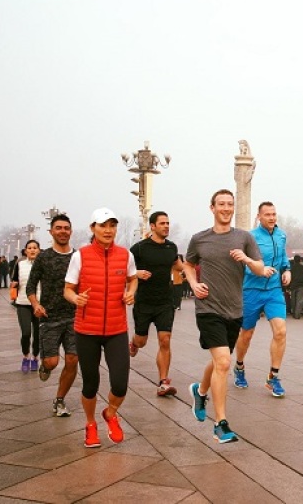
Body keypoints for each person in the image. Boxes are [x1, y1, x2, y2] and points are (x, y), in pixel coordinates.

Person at [183, 189, 265, 444]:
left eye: (230, 204)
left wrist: (247, 259)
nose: (226, 208)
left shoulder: (244, 238)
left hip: (235, 309)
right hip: (208, 309)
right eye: (221, 204)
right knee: (223, 363)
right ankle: (220, 423)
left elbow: (261, 269)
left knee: (222, 361)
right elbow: (187, 264)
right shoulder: (200, 239)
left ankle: (201, 390)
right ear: (212, 208)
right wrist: (194, 284)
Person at [64, 208, 137, 448]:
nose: (108, 230)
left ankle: (111, 412)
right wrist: (76, 299)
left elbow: (132, 278)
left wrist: (130, 293)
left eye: (112, 225)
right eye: (103, 225)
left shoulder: (125, 255)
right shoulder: (80, 256)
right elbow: (68, 289)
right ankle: (90, 424)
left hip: (116, 328)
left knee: (120, 383)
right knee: (90, 383)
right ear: (93, 228)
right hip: (87, 330)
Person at [234, 201, 291, 398]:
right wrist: (259, 269)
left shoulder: (281, 235)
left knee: (281, 331)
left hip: (274, 291)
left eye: (274, 214)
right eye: (267, 214)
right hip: (252, 290)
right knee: (246, 334)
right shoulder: (250, 237)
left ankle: (273, 377)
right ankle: (239, 366)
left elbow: (283, 257)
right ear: (259, 217)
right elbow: (244, 262)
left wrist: (287, 271)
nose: (272, 218)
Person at [26, 214, 78, 417]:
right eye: (59, 228)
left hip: (74, 316)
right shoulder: (44, 257)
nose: (63, 231)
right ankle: (45, 367)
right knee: (52, 362)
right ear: (51, 232)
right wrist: (36, 304)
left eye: (66, 228)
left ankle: (59, 400)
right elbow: (31, 286)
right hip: (49, 317)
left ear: (71, 231)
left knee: (73, 359)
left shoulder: (78, 257)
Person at [129, 211, 183, 397]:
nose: (166, 226)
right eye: (162, 223)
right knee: (141, 341)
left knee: (165, 340)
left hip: (165, 302)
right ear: (152, 226)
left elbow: (178, 265)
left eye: (168, 223)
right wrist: (137, 273)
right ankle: (134, 343)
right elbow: (124, 268)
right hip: (144, 302)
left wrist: (192, 271)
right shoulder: (139, 248)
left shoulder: (171, 247)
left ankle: (163, 382)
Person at [12, 240, 41, 373]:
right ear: (25, 251)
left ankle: (35, 358)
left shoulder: (43, 265)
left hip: (39, 305)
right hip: (23, 303)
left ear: (39, 250)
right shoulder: (20, 264)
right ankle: (25, 357)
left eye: (35, 248)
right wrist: (14, 285)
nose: (32, 250)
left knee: (38, 334)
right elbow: (15, 280)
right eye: (29, 248)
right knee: (26, 333)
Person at [288, 255, 303, 319]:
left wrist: (288, 286)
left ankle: (294, 313)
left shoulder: (291, 268)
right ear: (300, 260)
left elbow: (289, 277)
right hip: (301, 286)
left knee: (293, 300)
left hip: (293, 285)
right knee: (299, 300)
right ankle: (297, 314)